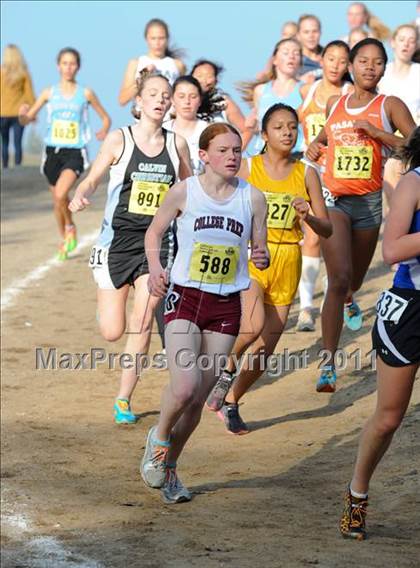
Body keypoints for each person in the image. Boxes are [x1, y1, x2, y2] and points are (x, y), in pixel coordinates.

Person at [140, 122, 269, 503]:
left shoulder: (253, 198)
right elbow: (154, 233)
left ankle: (171, 469)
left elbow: (258, 250)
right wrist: (155, 270)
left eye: (237, 150)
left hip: (225, 305)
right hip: (185, 297)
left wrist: (260, 255)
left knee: (198, 398)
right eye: (224, 150)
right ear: (204, 155)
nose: (232, 156)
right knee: (182, 386)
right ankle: (159, 438)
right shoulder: (185, 191)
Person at [69, 72, 192, 424]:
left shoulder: (176, 145)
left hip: (156, 247)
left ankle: (123, 399)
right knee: (112, 331)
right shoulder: (118, 140)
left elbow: (188, 190)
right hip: (115, 244)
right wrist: (82, 193)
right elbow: (93, 178)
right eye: (152, 93)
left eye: (165, 95)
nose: (160, 99)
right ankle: (106, 306)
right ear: (138, 103)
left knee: (142, 323)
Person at [206, 104, 332, 434]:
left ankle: (231, 400)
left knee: (266, 348)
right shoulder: (248, 167)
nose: (287, 132)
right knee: (250, 327)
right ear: (264, 134)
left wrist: (308, 217)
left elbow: (327, 229)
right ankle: (218, 371)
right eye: (279, 127)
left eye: (293, 126)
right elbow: (219, 201)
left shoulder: (307, 174)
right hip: (253, 257)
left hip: (289, 259)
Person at [306, 38, 416, 393]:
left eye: (378, 62)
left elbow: (416, 144)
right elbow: (323, 139)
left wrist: (378, 134)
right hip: (334, 198)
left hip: (368, 204)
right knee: (337, 280)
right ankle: (327, 364)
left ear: (384, 68)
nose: (370, 67)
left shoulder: (389, 105)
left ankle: (352, 295)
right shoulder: (335, 104)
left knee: (352, 280)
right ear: (351, 65)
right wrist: (314, 146)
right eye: (364, 61)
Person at [340, 126, 420, 541]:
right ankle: (357, 494)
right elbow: (392, 250)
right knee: (389, 417)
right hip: (410, 307)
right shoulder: (414, 182)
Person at [19, 47, 110, 260]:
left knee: (61, 193)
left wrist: (104, 129)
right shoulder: (49, 93)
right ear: (58, 66)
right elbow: (28, 118)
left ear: (78, 66)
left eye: (72, 63)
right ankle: (65, 236)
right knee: (57, 200)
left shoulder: (85, 93)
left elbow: (105, 116)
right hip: (52, 152)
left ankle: (69, 227)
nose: (68, 67)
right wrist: (23, 115)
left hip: (74, 151)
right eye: (64, 63)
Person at [296, 40, 353, 332]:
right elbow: (296, 123)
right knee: (312, 237)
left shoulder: (350, 93)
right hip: (311, 171)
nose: (335, 65)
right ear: (322, 60)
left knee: (334, 241)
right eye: (331, 58)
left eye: (342, 61)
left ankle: (335, 296)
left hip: (338, 174)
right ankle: (306, 306)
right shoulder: (308, 90)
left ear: (349, 65)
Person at [238, 38, 304, 155]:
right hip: (264, 154)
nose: (291, 56)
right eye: (286, 52)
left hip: (295, 154)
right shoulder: (261, 90)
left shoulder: (305, 90)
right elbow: (256, 127)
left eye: (296, 53)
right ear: (274, 60)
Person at [379, 25, 420, 211]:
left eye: (412, 40)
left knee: (393, 167)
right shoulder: (382, 73)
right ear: (393, 42)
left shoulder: (418, 72)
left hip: (413, 136)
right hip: (384, 136)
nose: (406, 44)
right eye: (402, 39)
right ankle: (398, 217)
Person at [118, 18, 185, 107]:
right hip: (142, 118)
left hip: (170, 118)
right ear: (146, 39)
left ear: (167, 39)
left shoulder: (177, 65)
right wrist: (144, 75)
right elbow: (122, 100)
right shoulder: (135, 63)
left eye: (161, 38)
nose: (157, 43)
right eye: (153, 38)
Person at [191, 59, 253, 149]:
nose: (204, 80)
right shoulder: (183, 102)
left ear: (216, 80)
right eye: (199, 75)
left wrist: (233, 153)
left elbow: (247, 130)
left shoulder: (224, 103)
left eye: (209, 76)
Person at [164, 75, 208, 174]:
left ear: (200, 100)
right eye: (181, 96)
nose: (187, 101)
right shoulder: (162, 130)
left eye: (193, 97)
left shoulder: (209, 131)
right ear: (172, 100)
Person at [0, 45, 35, 169]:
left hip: (2, 113)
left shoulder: (1, 73)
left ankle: (4, 167)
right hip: (19, 113)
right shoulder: (24, 74)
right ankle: (17, 168)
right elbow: (29, 95)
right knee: (17, 142)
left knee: (4, 142)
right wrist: (33, 113)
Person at [296, 14, 323, 84]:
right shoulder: (294, 60)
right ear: (298, 35)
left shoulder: (329, 56)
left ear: (320, 33)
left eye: (315, 31)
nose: (311, 36)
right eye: (306, 32)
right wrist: (300, 82)